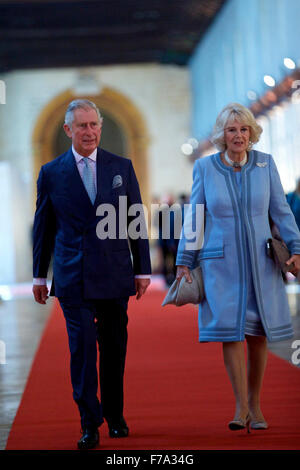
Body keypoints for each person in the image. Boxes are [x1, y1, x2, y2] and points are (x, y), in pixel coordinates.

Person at [32, 99, 151, 450]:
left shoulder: (122, 166)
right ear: (68, 130)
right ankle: (89, 422)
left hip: (114, 274)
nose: (89, 132)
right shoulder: (51, 172)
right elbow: (44, 227)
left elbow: (135, 221)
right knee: (82, 351)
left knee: (114, 350)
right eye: (81, 126)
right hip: (73, 276)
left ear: (100, 127)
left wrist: (142, 268)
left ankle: (115, 416)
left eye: (94, 125)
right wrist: (39, 276)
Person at [176, 103, 300, 432]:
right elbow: (195, 216)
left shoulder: (265, 165)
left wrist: (297, 248)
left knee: (258, 335)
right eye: (232, 130)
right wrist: (184, 259)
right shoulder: (205, 169)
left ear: (251, 133)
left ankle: (256, 406)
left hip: (261, 263)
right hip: (221, 265)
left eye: (244, 129)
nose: (239, 135)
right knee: (231, 333)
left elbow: (281, 211)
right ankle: (240, 407)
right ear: (221, 135)